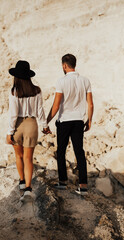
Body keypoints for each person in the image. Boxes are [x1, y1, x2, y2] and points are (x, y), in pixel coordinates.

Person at [47, 54, 94, 195]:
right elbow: (90, 104)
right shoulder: (85, 81)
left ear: (64, 66)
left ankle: (62, 182)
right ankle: (83, 185)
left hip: (64, 121)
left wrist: (46, 121)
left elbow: (56, 106)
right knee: (79, 151)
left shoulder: (61, 81)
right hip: (78, 121)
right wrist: (89, 120)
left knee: (61, 151)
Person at [6, 60, 51, 200]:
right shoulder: (36, 90)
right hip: (32, 124)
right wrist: (45, 125)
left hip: (18, 124)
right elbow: (40, 111)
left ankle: (21, 181)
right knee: (28, 158)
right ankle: (28, 189)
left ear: (16, 77)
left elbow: (13, 114)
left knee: (19, 156)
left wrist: (9, 132)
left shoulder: (14, 91)